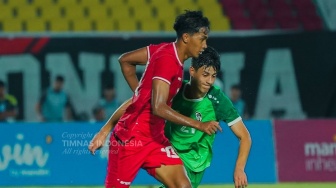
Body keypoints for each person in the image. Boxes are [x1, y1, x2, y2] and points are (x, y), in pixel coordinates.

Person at [89, 10, 221, 188]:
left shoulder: (162, 50)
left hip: (154, 139)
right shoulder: (167, 60)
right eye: (202, 38)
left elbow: (125, 61)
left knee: (183, 185)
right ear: (186, 37)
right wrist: (199, 125)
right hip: (131, 140)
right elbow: (158, 107)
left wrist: (140, 94)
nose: (205, 45)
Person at [89, 47, 251, 188]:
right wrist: (105, 130)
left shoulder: (218, 100)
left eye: (213, 76)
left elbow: (244, 137)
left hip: (194, 162)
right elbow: (135, 103)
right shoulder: (175, 89)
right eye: (205, 75)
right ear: (193, 71)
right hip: (167, 150)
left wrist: (239, 168)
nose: (209, 81)